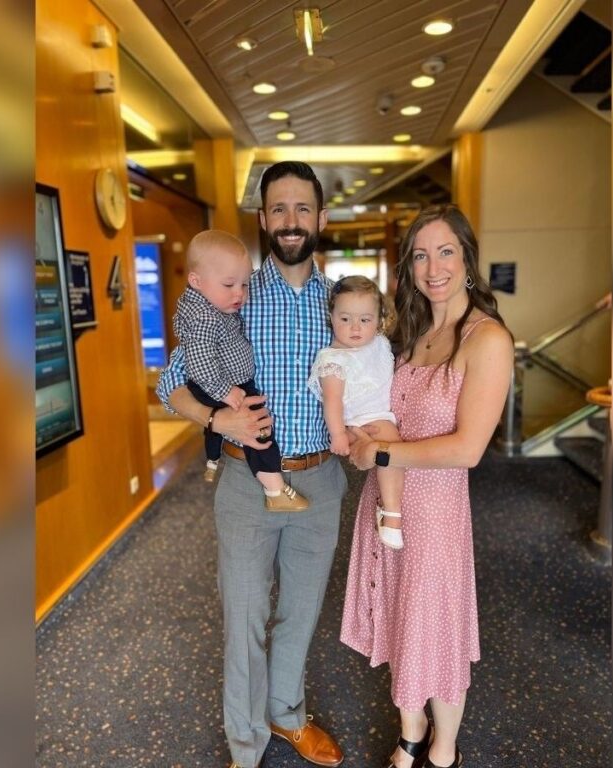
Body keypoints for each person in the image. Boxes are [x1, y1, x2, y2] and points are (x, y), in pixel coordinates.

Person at [156, 162, 345, 768]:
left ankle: (287, 715)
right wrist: (217, 421)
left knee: (301, 610)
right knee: (245, 617)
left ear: (322, 218)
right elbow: (169, 384)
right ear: (263, 220)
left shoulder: (346, 303)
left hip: (319, 478)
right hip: (244, 479)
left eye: (303, 209)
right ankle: (245, 741)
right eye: (279, 210)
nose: (292, 221)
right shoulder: (232, 292)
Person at [341, 205, 514, 768]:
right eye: (420, 254)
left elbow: (468, 449)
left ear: (466, 258)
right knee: (399, 619)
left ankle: (443, 750)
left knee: (434, 630)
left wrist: (383, 450)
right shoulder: (409, 331)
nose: (433, 266)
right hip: (387, 503)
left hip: (436, 514)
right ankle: (410, 732)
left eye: (445, 251)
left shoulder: (486, 339)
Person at [173, 229, 309, 511]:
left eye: (244, 285)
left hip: (319, 466)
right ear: (196, 282)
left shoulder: (217, 306)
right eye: (229, 285)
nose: (239, 294)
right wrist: (221, 397)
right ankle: (274, 489)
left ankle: (211, 460)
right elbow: (180, 375)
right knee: (259, 429)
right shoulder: (203, 316)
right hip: (226, 385)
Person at [308, 276, 405, 548]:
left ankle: (387, 505)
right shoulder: (333, 359)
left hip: (382, 411)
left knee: (394, 455)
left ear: (379, 319)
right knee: (391, 449)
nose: (355, 328)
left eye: (365, 320)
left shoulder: (380, 343)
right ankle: (392, 514)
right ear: (331, 316)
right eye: (345, 319)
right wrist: (338, 433)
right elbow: (333, 401)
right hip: (363, 418)